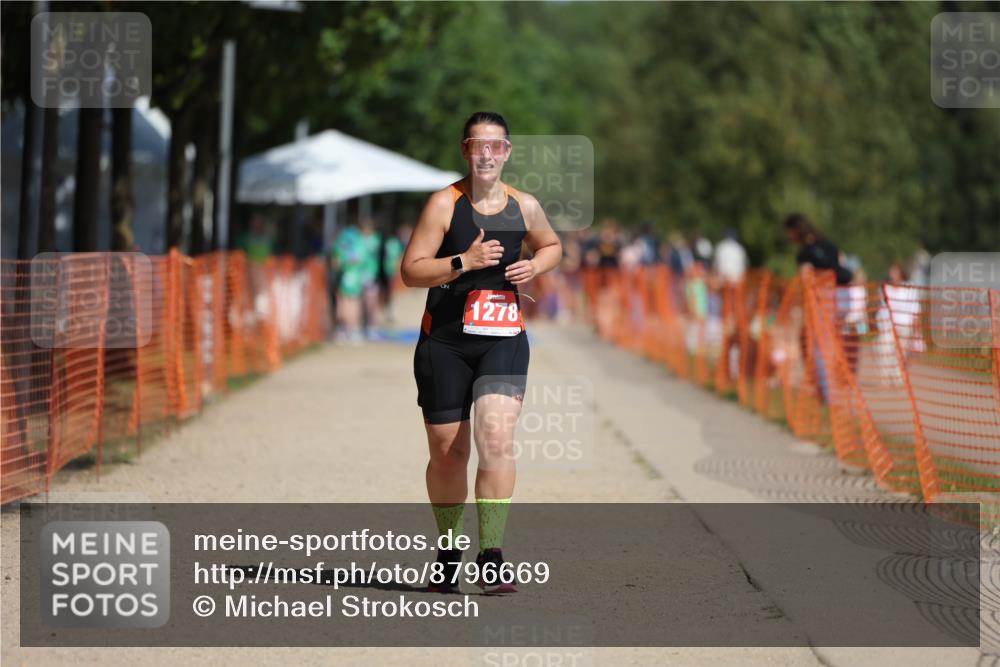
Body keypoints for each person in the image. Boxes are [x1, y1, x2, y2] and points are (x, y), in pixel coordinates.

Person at [400, 112, 562, 595]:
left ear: (507, 152)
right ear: (466, 151)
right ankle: (448, 554)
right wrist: (462, 262)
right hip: (445, 343)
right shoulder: (443, 205)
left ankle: (491, 554)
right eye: (477, 145)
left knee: (495, 438)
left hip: (503, 340)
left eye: (496, 146)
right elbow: (410, 271)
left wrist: (534, 264)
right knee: (449, 453)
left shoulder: (524, 205)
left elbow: (553, 245)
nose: (487, 154)